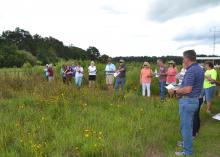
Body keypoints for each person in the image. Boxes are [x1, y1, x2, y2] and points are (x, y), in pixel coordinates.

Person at [169, 50, 204, 156]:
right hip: (193, 100)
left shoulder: (191, 70)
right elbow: (190, 87)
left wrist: (174, 91)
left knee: (186, 127)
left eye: (183, 58)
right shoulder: (198, 68)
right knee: (188, 125)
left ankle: (187, 151)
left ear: (187, 59)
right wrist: (179, 89)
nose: (183, 60)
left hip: (188, 101)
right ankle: (186, 143)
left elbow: (188, 89)